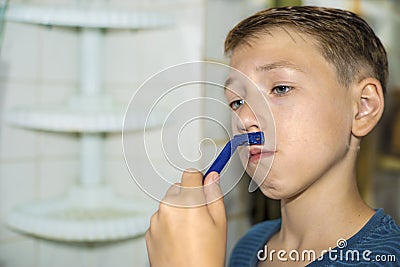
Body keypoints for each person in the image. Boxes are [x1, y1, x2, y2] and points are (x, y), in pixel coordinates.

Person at [145, 6, 400, 267]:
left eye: (280, 88)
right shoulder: (249, 247)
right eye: (237, 101)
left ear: (363, 107)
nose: (244, 119)